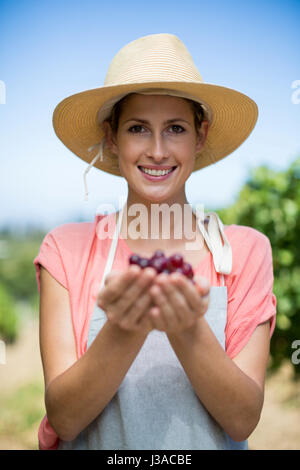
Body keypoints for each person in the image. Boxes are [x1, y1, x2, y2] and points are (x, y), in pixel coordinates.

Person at [33, 33, 277, 450]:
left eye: (176, 129)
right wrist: (125, 329)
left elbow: (242, 419)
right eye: (138, 128)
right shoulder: (65, 250)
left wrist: (187, 330)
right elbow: (66, 418)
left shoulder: (244, 251)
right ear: (113, 138)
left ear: (200, 137)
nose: (158, 150)